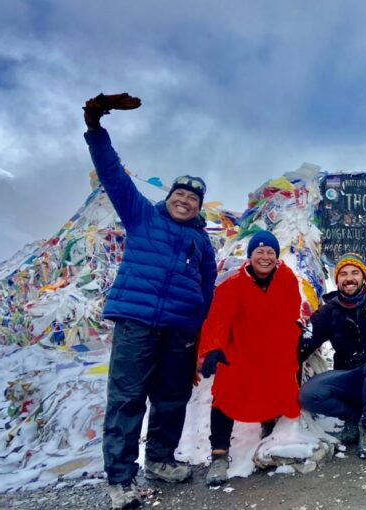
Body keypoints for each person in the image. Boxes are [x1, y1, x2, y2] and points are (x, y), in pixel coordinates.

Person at [83, 93, 217, 509]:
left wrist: (200, 336)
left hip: (180, 330)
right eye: (180, 194)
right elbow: (113, 176)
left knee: (172, 398)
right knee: (126, 398)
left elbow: (207, 290)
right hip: (137, 321)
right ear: (169, 197)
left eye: (193, 199)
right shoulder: (141, 216)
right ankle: (120, 479)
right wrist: (94, 127)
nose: (185, 200)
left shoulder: (202, 242)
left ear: (198, 207)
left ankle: (159, 460)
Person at [199, 231, 302, 486]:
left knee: (281, 387)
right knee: (225, 393)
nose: (265, 257)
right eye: (260, 251)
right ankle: (219, 455)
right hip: (241, 350)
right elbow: (218, 319)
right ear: (250, 256)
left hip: (274, 351)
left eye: (270, 252)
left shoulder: (288, 279)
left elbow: (291, 314)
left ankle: (273, 433)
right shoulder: (232, 284)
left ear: (277, 257)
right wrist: (212, 347)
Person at [297, 253, 366, 460]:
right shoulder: (328, 312)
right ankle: (352, 416)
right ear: (336, 279)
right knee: (309, 394)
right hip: (348, 377)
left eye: (355, 273)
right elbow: (305, 343)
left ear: (363, 277)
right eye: (343, 274)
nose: (349, 278)